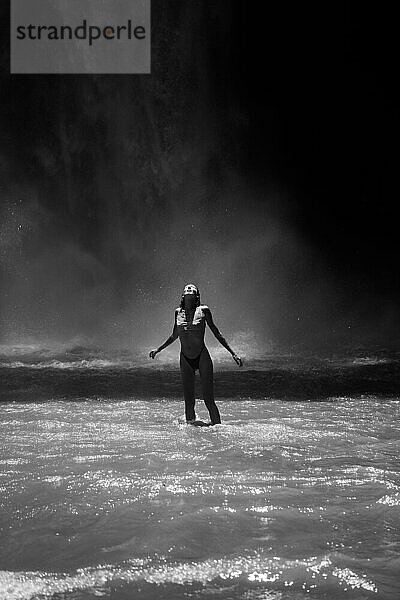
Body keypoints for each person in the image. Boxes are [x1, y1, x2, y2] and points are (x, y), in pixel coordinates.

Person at [149, 283, 243, 425]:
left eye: (192, 297)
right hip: (185, 358)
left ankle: (219, 429)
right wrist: (159, 349)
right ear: (183, 298)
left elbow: (217, 333)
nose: (190, 300)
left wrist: (233, 353)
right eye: (187, 297)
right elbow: (174, 335)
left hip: (202, 356)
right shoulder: (177, 312)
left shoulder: (204, 310)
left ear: (196, 298)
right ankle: (191, 434)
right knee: (188, 402)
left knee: (208, 399)